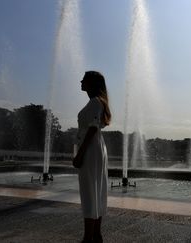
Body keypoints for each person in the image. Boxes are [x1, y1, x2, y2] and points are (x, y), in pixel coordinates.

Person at [73, 71, 111, 243]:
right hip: (95, 147)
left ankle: (89, 237)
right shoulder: (96, 102)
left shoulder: (95, 102)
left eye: (84, 79)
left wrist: (80, 154)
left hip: (90, 149)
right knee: (96, 190)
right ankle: (96, 235)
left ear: (92, 83)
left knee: (90, 192)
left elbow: (92, 128)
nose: (81, 81)